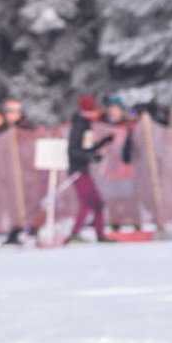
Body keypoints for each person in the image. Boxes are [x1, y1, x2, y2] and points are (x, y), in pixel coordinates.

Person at [65, 95, 113, 243]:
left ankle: (100, 234)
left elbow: (85, 148)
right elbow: (73, 150)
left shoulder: (85, 124)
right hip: (77, 171)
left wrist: (101, 144)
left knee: (97, 203)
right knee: (87, 202)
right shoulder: (79, 124)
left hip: (83, 170)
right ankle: (74, 234)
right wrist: (90, 157)